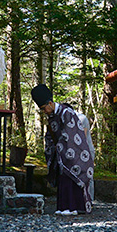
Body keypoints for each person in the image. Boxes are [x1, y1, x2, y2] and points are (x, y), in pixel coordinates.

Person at [31, 84, 94, 215]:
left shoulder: (67, 113)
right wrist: (53, 148)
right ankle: (63, 206)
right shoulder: (52, 116)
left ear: (50, 103)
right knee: (63, 179)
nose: (45, 111)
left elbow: (71, 135)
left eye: (44, 108)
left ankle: (74, 207)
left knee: (72, 177)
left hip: (75, 153)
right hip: (61, 153)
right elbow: (50, 136)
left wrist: (61, 148)